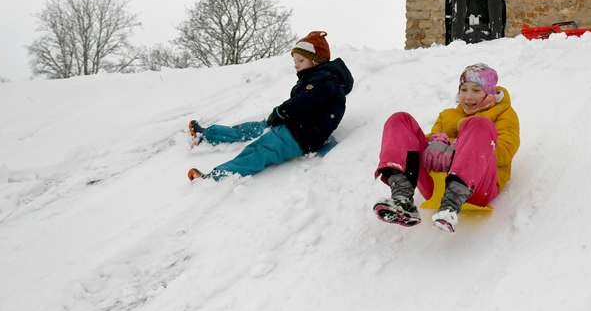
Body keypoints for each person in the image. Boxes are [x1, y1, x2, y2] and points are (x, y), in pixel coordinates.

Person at [373, 63, 519, 233]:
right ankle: (402, 197)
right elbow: (423, 146)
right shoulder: (447, 115)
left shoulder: (504, 113)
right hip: (435, 188)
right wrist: (435, 147)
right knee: (399, 119)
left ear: (489, 92)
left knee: (479, 124)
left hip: (477, 188)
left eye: (476, 90)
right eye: (464, 89)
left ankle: (451, 206)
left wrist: (462, 150)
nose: (468, 96)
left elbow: (505, 152)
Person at [187, 31, 354, 180]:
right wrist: (279, 116)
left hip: (299, 137)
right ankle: (207, 135)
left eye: (301, 60)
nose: (296, 64)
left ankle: (217, 176)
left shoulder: (326, 80)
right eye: (295, 60)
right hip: (292, 126)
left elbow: (303, 102)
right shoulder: (317, 78)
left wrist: (281, 112)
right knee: (251, 128)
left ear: (316, 61)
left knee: (260, 150)